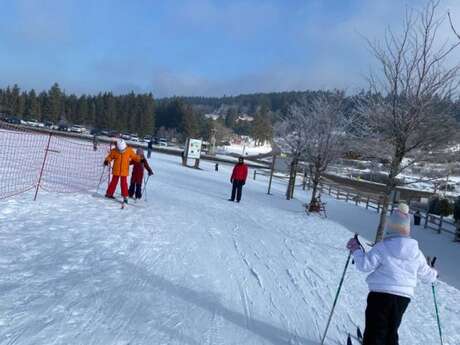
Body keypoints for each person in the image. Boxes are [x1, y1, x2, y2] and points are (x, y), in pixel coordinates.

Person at [346, 203, 437, 345]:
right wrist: (434, 273)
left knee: (376, 329)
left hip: (380, 295)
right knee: (391, 329)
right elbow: (428, 274)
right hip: (403, 298)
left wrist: (356, 249)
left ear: (390, 229)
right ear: (407, 229)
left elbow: (364, 265)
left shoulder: (383, 247)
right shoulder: (416, 253)